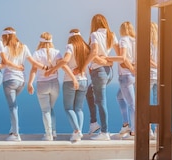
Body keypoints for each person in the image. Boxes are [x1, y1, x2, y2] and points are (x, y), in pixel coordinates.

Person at [0, 27, 41, 141]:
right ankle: (13, 128)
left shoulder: (5, 48)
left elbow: (4, 63)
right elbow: (33, 62)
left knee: (12, 107)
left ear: (6, 37)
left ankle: (16, 134)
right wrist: (44, 67)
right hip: (21, 81)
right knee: (14, 105)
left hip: (9, 80)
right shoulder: (24, 47)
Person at [47, 29, 88, 142]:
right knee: (79, 109)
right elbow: (90, 59)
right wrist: (81, 68)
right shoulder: (85, 47)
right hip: (84, 80)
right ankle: (78, 132)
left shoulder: (70, 46)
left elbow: (65, 60)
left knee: (68, 108)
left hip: (70, 80)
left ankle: (76, 131)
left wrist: (53, 69)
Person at [27, 32, 69, 141]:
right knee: (50, 108)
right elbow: (63, 66)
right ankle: (54, 131)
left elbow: (33, 70)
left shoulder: (36, 54)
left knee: (45, 110)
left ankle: (48, 134)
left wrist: (30, 83)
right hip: (55, 84)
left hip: (42, 84)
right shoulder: (57, 53)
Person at [86, 13, 118, 141]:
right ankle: (94, 123)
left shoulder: (94, 35)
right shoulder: (112, 35)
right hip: (109, 72)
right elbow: (120, 54)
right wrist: (107, 60)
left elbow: (93, 52)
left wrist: (85, 65)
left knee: (101, 101)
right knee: (89, 92)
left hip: (99, 72)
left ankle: (105, 132)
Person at [111, 21, 136, 139]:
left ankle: (134, 131)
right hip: (132, 75)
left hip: (125, 75)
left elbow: (123, 57)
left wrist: (106, 58)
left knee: (132, 104)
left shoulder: (123, 40)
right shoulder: (135, 40)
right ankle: (126, 124)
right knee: (119, 97)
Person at [149, 21, 158, 140]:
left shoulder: (148, 43)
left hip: (150, 74)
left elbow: (148, 59)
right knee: (157, 103)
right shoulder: (160, 43)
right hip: (159, 75)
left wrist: (156, 65)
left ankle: (148, 130)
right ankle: (158, 129)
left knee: (145, 102)